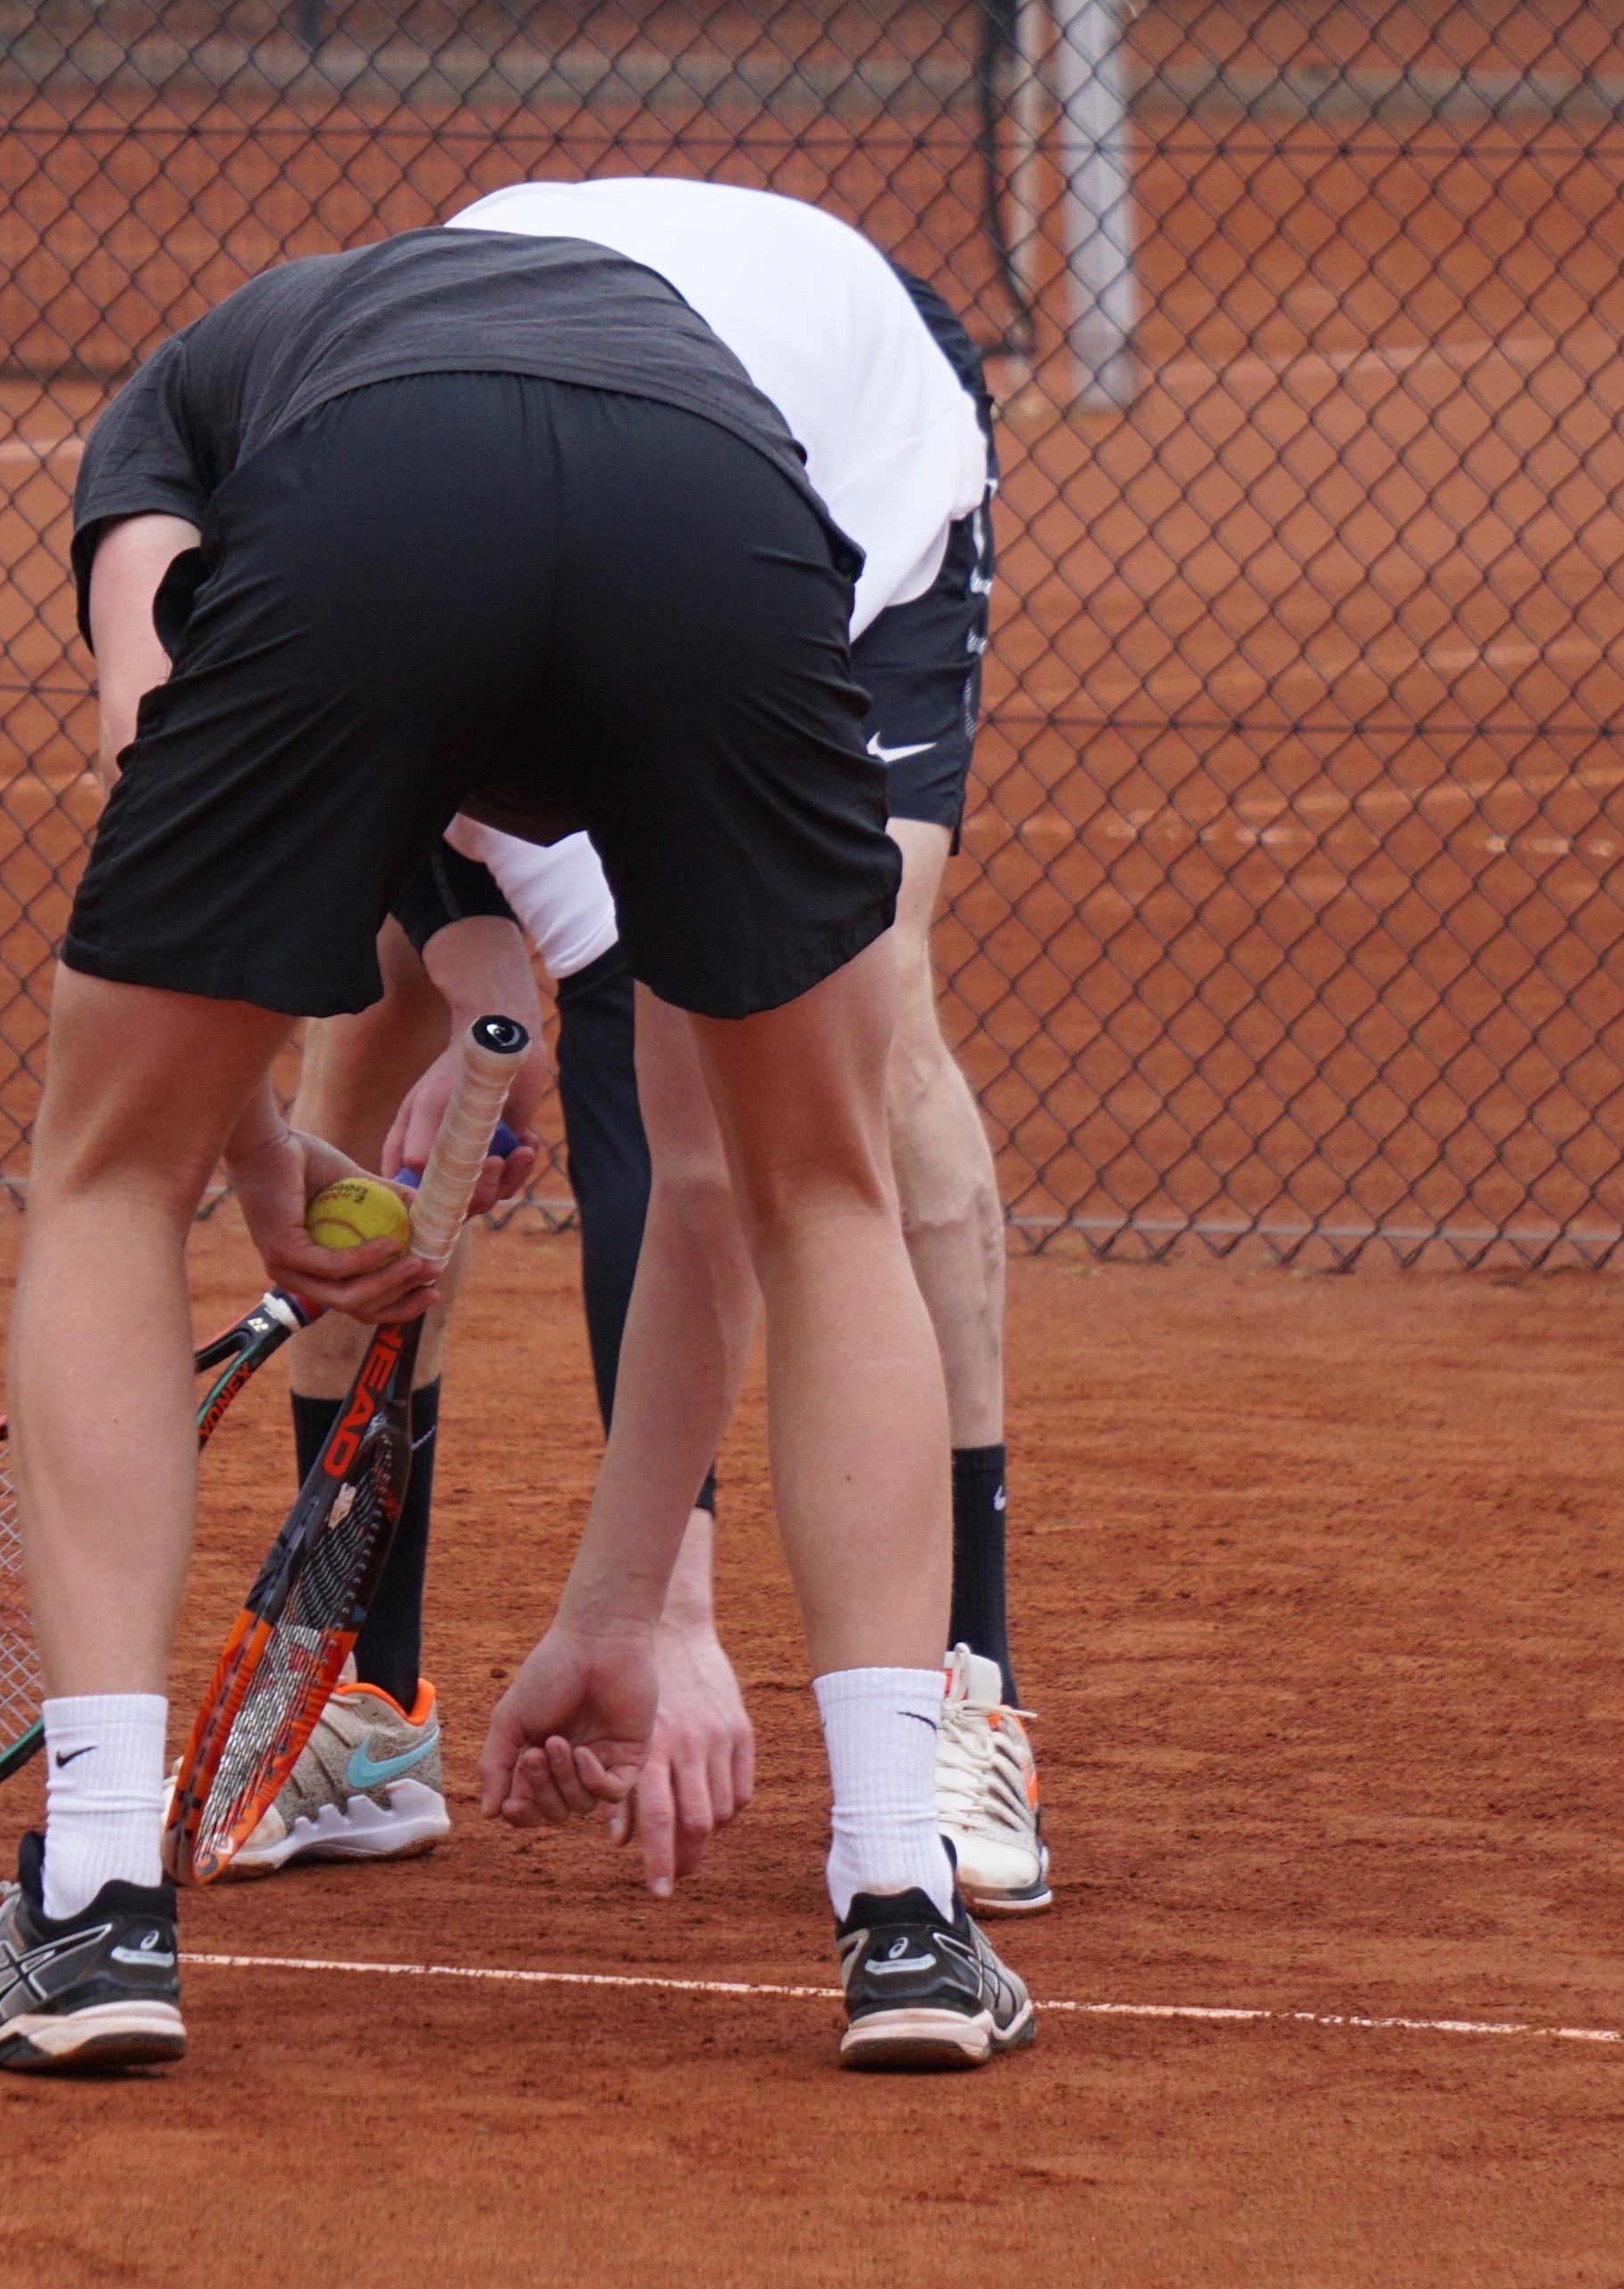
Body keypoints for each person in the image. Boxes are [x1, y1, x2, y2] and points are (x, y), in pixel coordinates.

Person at [0, 202, 1034, 2075]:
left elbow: (157, 762)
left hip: (431, 492)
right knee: (824, 1189)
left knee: (103, 1172)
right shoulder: (530, 350)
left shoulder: (169, 432)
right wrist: (627, 1596)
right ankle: (908, 1908)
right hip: (710, 506)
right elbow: (693, 1170)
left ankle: (90, 1911)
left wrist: (250, 1160)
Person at [233, 178, 1048, 1920]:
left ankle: (963, 1685)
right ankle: (356, 1701)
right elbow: (357, 849)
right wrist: (483, 998)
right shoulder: (313, 581)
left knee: (858, 1026)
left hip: (834, 441)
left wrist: (660, 1603)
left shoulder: (663, 638)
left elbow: (673, 1166)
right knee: (358, 1020)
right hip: (506, 439)